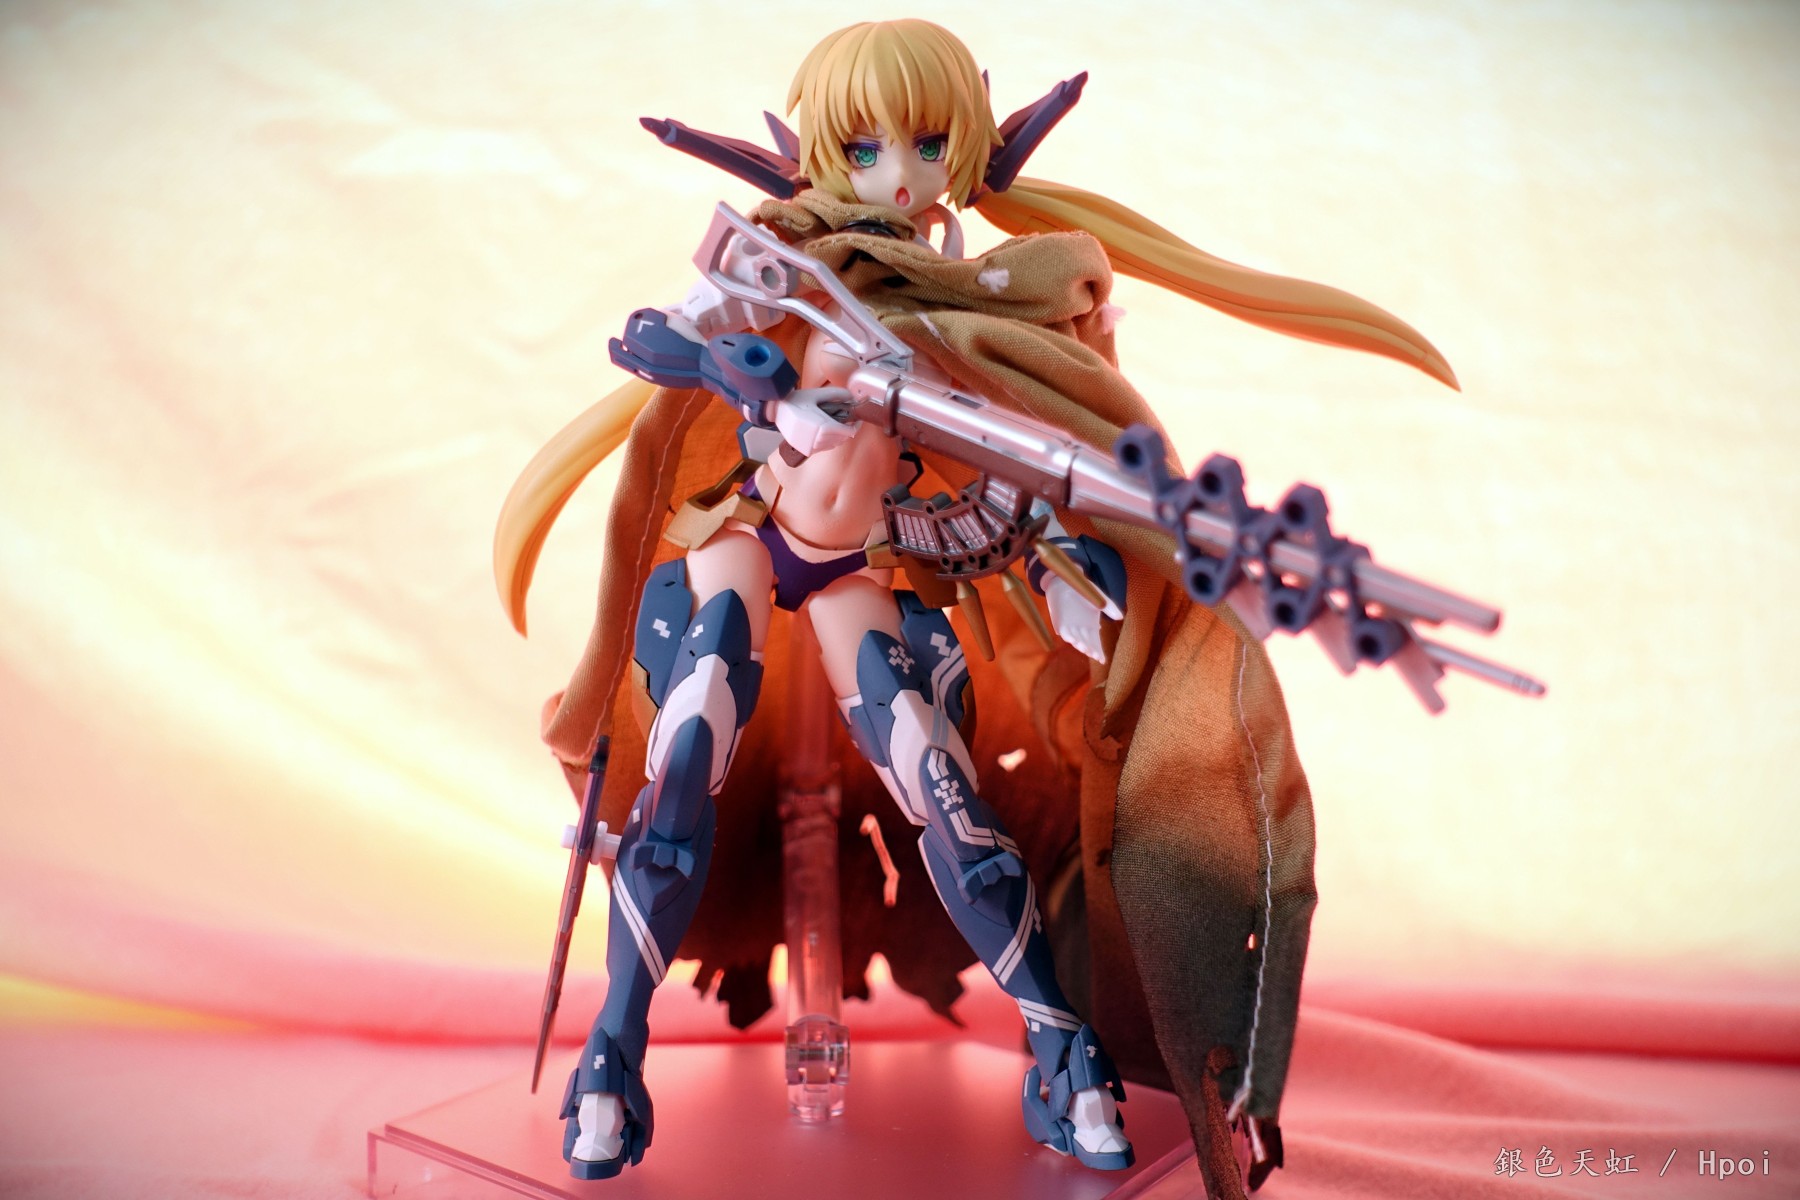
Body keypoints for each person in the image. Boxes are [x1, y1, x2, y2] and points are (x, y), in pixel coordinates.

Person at [494, 18, 1456, 1195]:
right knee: (696, 723)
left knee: (939, 782)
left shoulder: (982, 307)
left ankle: (1062, 1054)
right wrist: (737, 372)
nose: (899, 175)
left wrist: (1078, 549)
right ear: (820, 151)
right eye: (865, 149)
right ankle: (612, 1052)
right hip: (748, 531)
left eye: (927, 145)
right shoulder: (783, 264)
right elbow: (654, 341)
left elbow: (1039, 452)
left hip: (859, 567)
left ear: (966, 149)